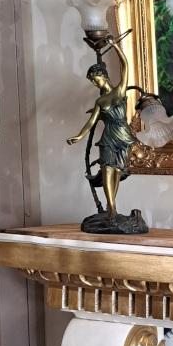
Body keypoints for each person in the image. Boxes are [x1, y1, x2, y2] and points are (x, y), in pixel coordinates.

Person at [67, 38, 136, 222]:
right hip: (108, 137)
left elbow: (125, 66)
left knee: (118, 171)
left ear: (103, 75)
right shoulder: (100, 101)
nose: (93, 83)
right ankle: (111, 208)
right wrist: (79, 136)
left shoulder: (120, 91)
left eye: (94, 79)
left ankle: (111, 207)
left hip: (123, 136)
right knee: (107, 169)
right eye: (91, 81)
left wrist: (115, 46)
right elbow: (91, 122)